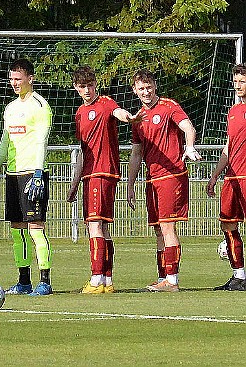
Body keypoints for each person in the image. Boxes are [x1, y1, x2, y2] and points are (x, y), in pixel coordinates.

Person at [66, 66, 140, 294]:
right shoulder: (79, 113)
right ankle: (107, 280)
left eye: (90, 85)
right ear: (76, 88)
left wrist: (130, 117)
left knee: (95, 226)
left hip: (102, 172)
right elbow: (82, 151)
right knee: (103, 227)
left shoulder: (105, 103)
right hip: (90, 174)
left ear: (95, 84)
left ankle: (96, 278)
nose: (87, 90)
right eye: (82, 86)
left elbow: (119, 113)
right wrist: (74, 185)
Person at [0, 59, 54, 296]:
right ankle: (24, 281)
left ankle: (45, 280)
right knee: (17, 230)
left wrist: (37, 172)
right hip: (12, 174)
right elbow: (6, 141)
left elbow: (41, 140)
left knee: (35, 228)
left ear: (30, 79)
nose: (14, 83)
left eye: (18, 78)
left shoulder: (40, 106)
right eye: (12, 78)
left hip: (32, 174)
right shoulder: (11, 108)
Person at [126, 69, 199, 292]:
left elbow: (188, 126)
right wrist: (130, 185)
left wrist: (189, 147)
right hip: (152, 179)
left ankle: (172, 280)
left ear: (155, 86)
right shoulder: (138, 118)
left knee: (167, 227)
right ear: (135, 90)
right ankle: (163, 277)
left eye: (149, 87)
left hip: (172, 175)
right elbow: (137, 153)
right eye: (141, 88)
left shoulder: (169, 106)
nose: (146, 91)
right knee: (158, 230)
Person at [207, 64, 246, 291]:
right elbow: (229, 147)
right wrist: (214, 176)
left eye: (242, 81)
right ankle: (239, 276)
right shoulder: (233, 111)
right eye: (236, 82)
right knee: (227, 224)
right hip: (232, 177)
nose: (238, 86)